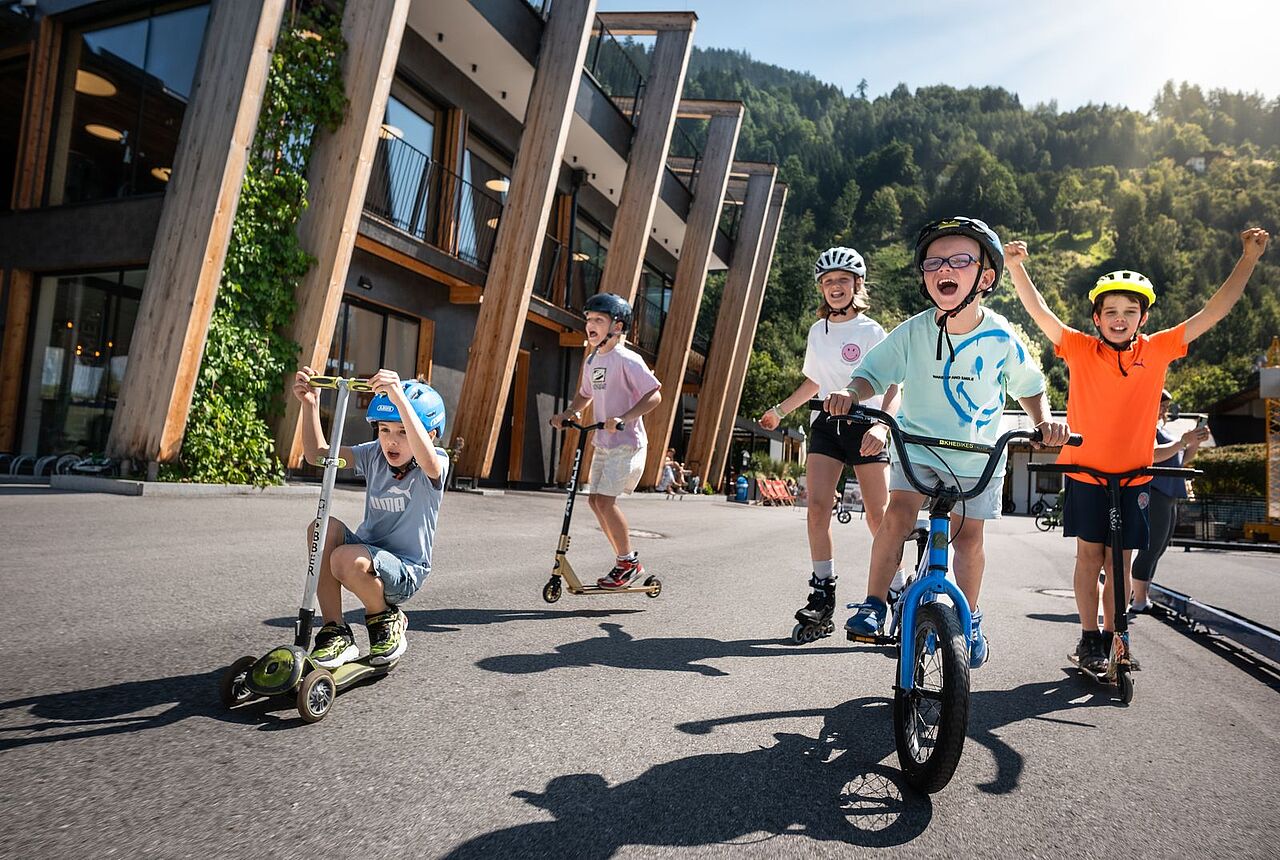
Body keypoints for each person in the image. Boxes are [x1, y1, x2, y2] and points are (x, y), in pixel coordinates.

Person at [1006, 226, 1269, 671]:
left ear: (1143, 318)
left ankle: (1117, 636)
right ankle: (1089, 639)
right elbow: (1041, 313)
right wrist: (1016, 268)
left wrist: (1248, 259)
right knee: (1089, 556)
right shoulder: (1079, 348)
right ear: (1097, 318)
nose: (1120, 318)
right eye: (1110, 311)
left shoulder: (1159, 348)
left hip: (1133, 476)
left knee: (1121, 561)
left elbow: (1213, 311)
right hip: (1086, 472)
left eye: (1130, 311)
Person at [828, 217, 1071, 668]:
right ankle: (875, 602)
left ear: (986, 277)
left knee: (970, 538)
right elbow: (871, 374)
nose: (944, 268)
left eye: (960, 260)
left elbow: (1031, 387)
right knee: (897, 516)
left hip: (977, 456)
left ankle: (970, 617)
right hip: (918, 447)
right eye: (934, 262)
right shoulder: (913, 331)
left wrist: (1044, 422)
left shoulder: (1000, 335)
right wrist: (851, 393)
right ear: (924, 277)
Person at [760, 246, 900, 638]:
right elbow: (815, 382)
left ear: (857, 285)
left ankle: (897, 591)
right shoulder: (816, 331)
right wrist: (780, 410)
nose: (835, 287)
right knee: (817, 508)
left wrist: (882, 427)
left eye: (842, 280)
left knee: (879, 516)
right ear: (821, 288)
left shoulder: (872, 331)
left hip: (867, 424)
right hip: (826, 424)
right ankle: (823, 594)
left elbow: (893, 385)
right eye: (828, 281)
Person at [292, 366, 449, 668]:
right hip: (365, 555)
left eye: (403, 431)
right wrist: (310, 404)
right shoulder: (374, 453)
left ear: (429, 435)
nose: (391, 441)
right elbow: (319, 456)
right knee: (321, 528)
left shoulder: (435, 462)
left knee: (345, 559)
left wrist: (399, 398)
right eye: (384, 430)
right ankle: (336, 632)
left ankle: (385, 619)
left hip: (405, 570)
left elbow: (428, 460)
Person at [551, 293, 663, 588]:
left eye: (599, 320)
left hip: (626, 443)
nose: (591, 325)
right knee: (594, 502)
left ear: (617, 326)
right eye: (588, 319)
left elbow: (654, 395)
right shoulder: (592, 361)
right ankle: (625, 562)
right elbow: (585, 394)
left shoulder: (627, 359)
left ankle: (628, 562)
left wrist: (625, 417)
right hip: (603, 441)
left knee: (604, 501)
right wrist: (569, 413)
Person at [1130, 390, 1210, 613]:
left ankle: (1142, 597)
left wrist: (1194, 442)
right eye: (1161, 405)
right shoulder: (1146, 427)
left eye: (1166, 406)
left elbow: (1182, 460)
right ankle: (1139, 600)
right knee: (1151, 547)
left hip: (1169, 493)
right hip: (1155, 492)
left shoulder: (1163, 430)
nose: (1164, 409)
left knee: (1159, 548)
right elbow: (1153, 455)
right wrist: (1182, 441)